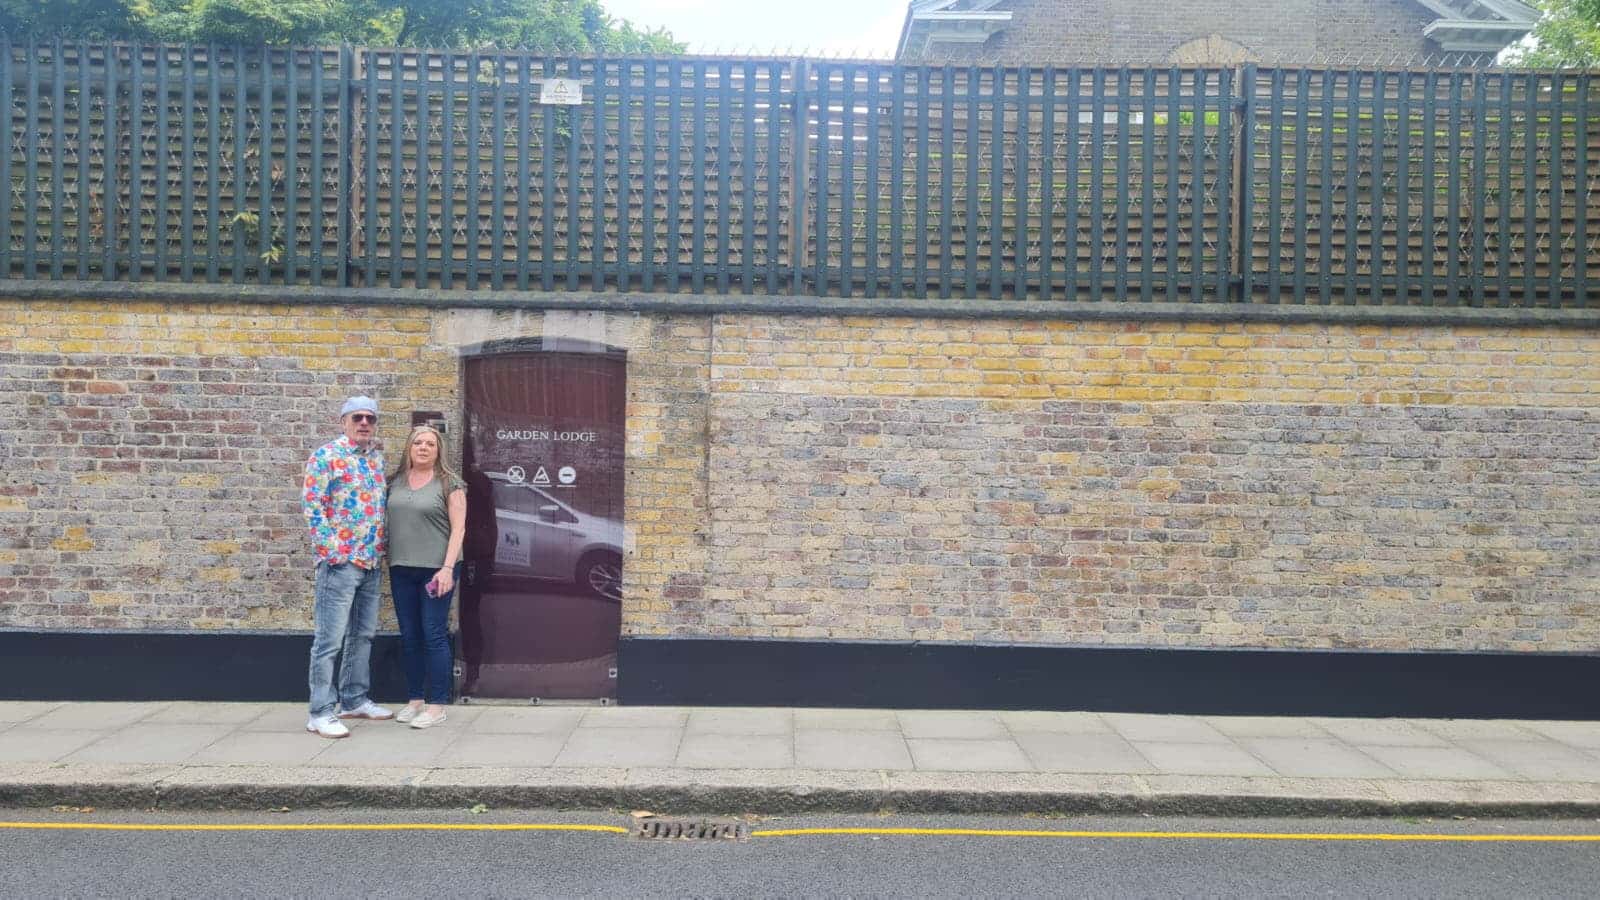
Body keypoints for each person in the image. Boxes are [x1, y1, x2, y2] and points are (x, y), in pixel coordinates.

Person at [301, 396, 394, 738]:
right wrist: (333, 552)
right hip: (340, 563)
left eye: (370, 418)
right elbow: (312, 505)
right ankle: (320, 712)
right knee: (329, 641)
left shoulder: (375, 460)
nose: (365, 423)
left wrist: (379, 549)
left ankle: (354, 699)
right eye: (358, 417)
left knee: (363, 635)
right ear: (344, 421)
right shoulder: (326, 456)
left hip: (370, 561)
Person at [385, 424, 467, 729]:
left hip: (436, 571)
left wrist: (447, 569)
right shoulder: (395, 482)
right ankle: (415, 700)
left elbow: (459, 529)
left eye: (430, 444)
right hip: (401, 567)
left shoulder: (450, 483)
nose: (423, 448)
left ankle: (436, 705)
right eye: (418, 442)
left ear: (438, 450)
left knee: (433, 633)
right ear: (409, 447)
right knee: (410, 635)